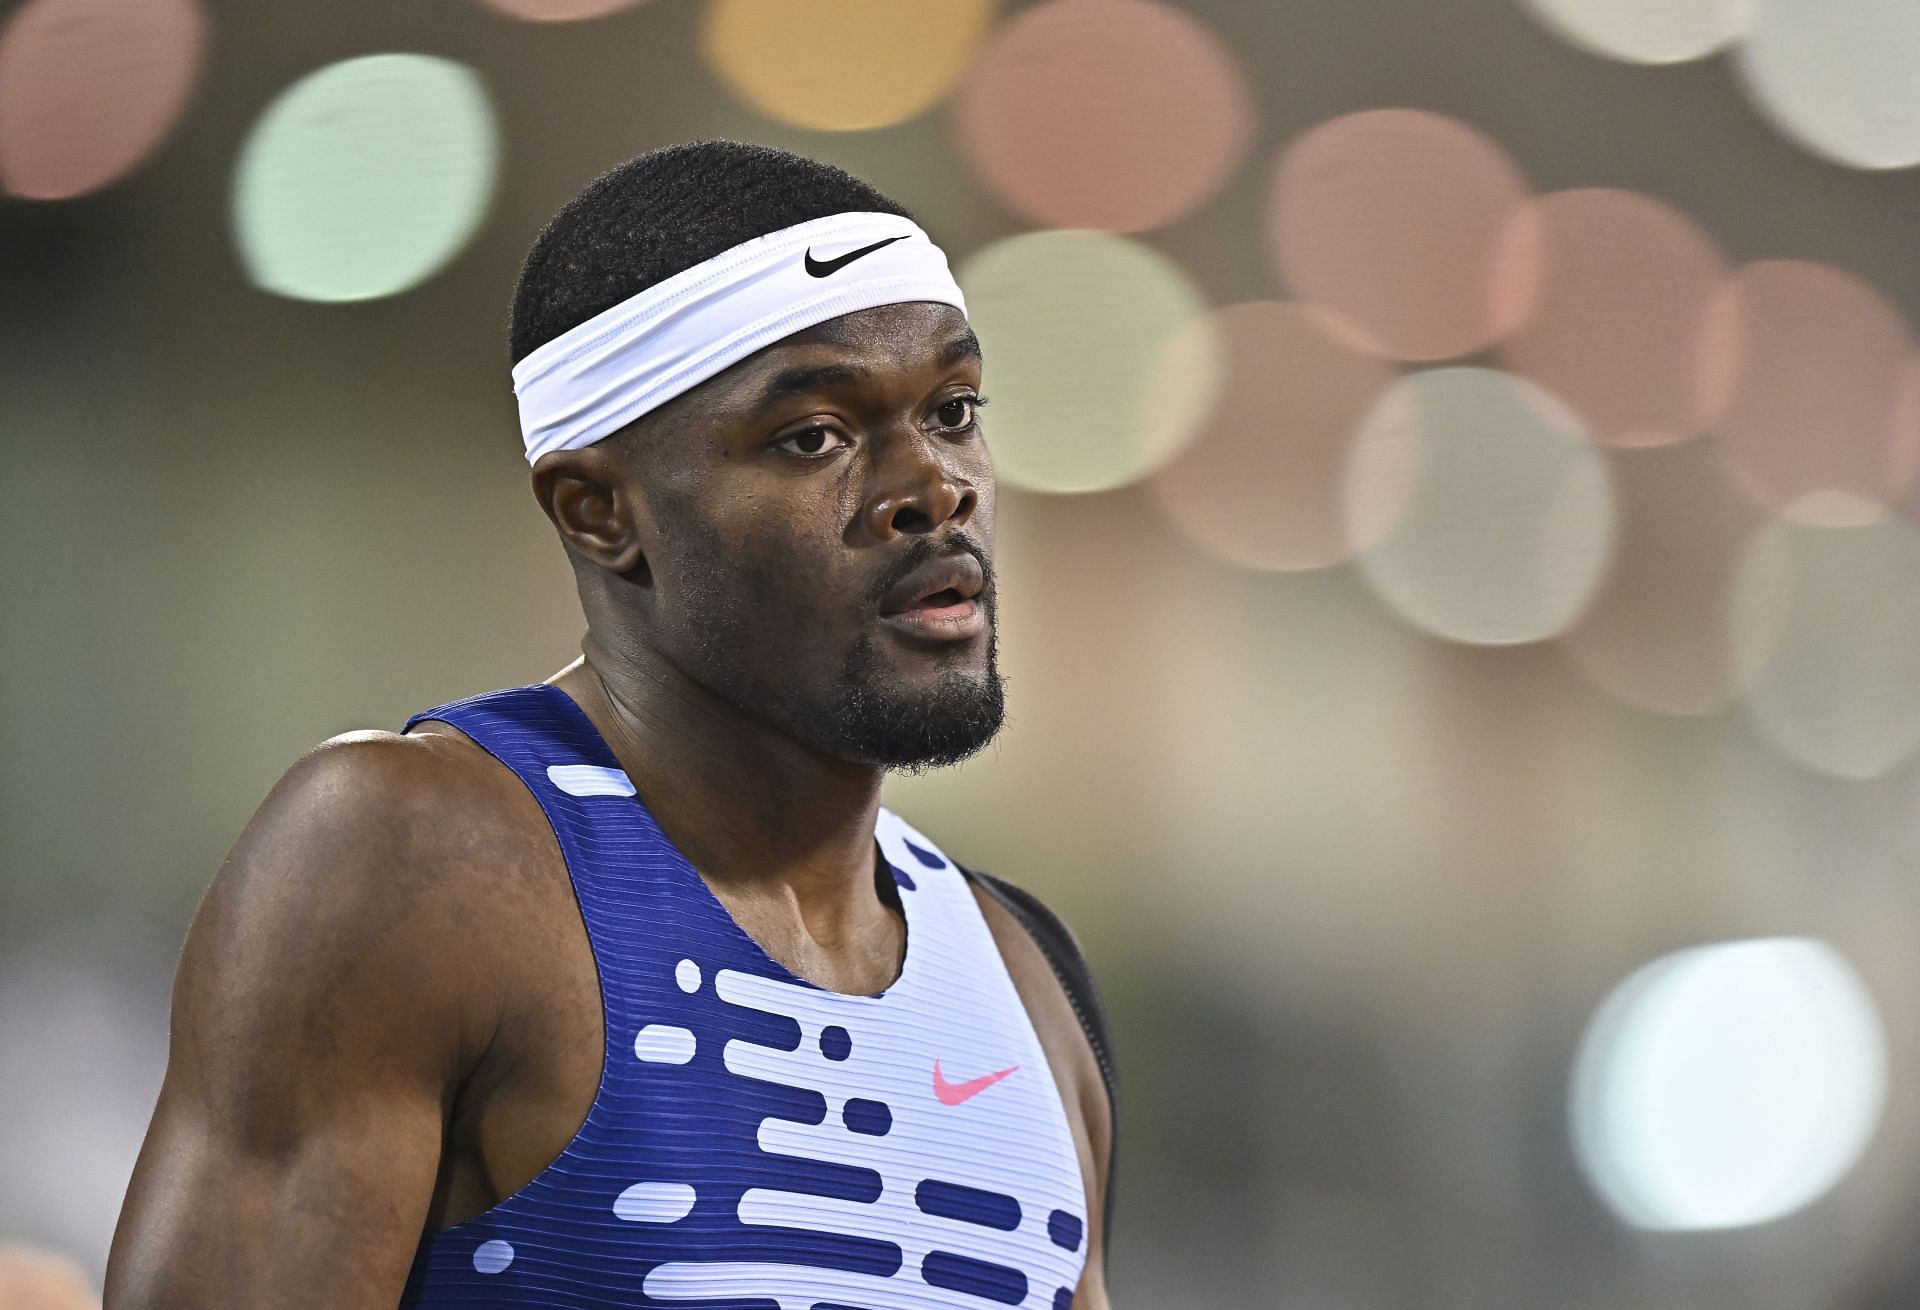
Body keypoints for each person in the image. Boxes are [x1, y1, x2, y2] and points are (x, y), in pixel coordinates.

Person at [106, 140, 1117, 1309]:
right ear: (599, 514)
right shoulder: (414, 861)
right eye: (816, 437)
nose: (934, 486)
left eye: (952, 410)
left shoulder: (1021, 980)